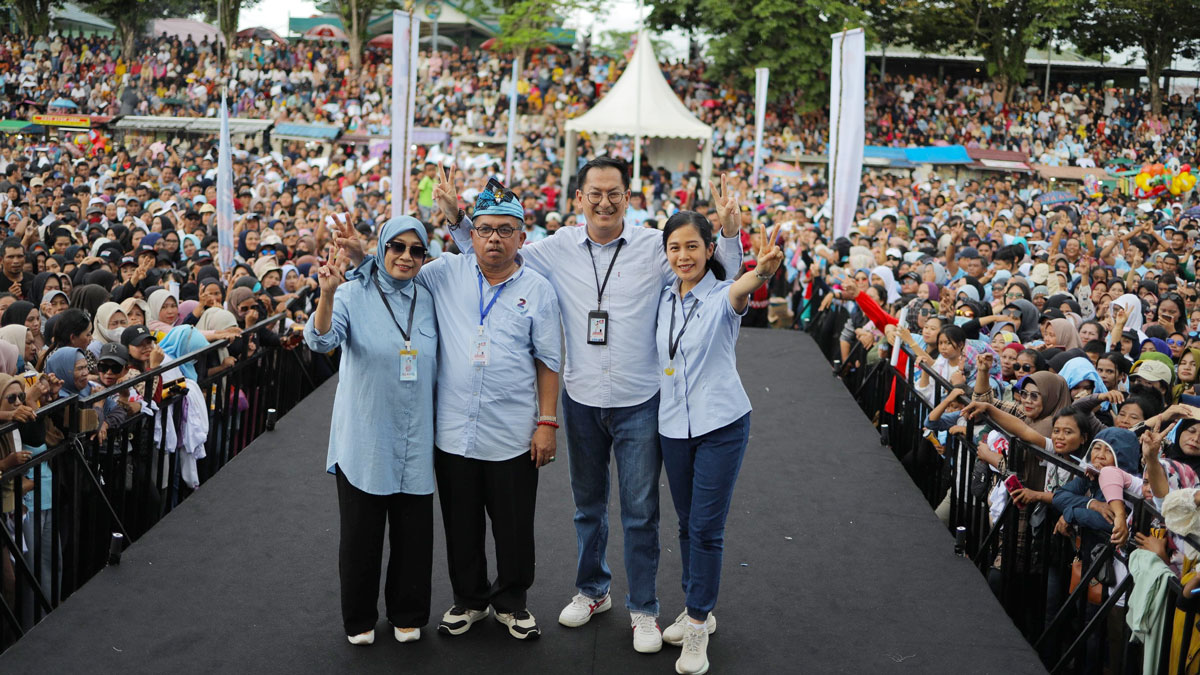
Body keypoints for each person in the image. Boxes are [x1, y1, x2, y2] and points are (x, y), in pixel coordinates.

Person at [438, 159, 743, 652]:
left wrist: (728, 232)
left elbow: (713, 270)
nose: (604, 202)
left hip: (640, 400)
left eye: (614, 193)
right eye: (594, 193)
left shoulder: (653, 246)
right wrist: (458, 222)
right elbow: (495, 252)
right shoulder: (555, 248)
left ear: (629, 196)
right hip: (580, 398)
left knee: (641, 512)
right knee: (588, 507)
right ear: (578, 198)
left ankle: (644, 608)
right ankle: (592, 590)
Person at [342, 187, 562, 639]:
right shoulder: (444, 272)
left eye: (505, 230)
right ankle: (470, 599)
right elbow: (394, 269)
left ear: (523, 237)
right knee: (461, 525)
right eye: (484, 230)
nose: (494, 239)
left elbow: (549, 360)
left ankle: (512, 601)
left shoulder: (538, 290)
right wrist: (363, 255)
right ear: (470, 235)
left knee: (514, 526)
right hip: (452, 431)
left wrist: (547, 422)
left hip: (512, 431)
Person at [655, 209, 783, 674]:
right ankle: (697, 606)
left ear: (709, 251)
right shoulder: (663, 297)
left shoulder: (720, 295)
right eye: (675, 247)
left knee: (707, 529)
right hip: (672, 426)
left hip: (720, 426)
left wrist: (758, 273)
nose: (683, 255)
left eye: (693, 246)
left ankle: (695, 623)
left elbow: (738, 286)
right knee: (687, 525)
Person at [303, 217, 437, 646]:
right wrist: (325, 295)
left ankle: (408, 612)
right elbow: (322, 342)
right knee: (361, 537)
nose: (406, 256)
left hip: (417, 434)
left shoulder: (432, 295)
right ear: (381, 248)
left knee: (413, 534)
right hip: (365, 436)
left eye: (416, 250)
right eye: (396, 246)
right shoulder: (350, 293)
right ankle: (359, 617)